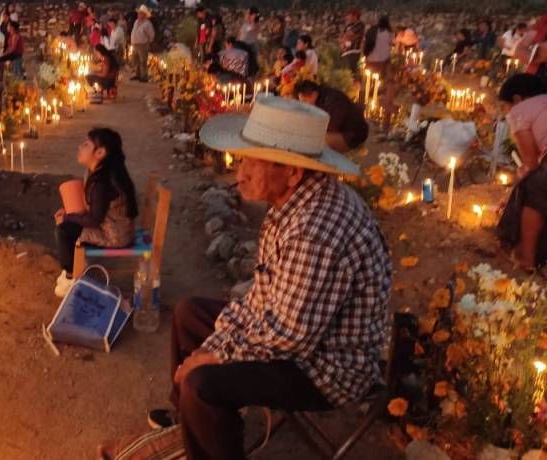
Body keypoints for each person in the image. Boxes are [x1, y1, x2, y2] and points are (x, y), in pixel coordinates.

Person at [154, 95, 390, 460]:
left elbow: (289, 337)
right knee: (189, 314)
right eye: (243, 159)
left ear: (293, 172)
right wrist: (215, 345)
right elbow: (263, 299)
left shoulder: (315, 229)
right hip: (299, 341)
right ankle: (188, 423)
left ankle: (198, 414)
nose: (240, 172)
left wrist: (215, 354)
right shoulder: (295, 202)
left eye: (253, 161)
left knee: (202, 384)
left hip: (327, 367)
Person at [54, 128, 138, 297]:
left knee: (64, 230)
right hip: (114, 228)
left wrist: (68, 217)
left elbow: (93, 220)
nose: (80, 147)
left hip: (114, 235)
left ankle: (71, 277)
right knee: (67, 223)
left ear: (100, 152)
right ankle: (73, 269)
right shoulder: (97, 173)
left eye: (86, 144)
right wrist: (69, 214)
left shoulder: (102, 182)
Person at [497, 74, 547, 271]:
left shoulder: (520, 111)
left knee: (533, 188)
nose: (506, 112)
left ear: (516, 99)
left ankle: (526, 256)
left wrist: (518, 184)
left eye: (504, 107)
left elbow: (531, 164)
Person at [294, 80, 368, 152]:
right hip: (342, 131)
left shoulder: (333, 100)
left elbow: (332, 126)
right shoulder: (320, 97)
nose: (304, 105)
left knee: (316, 141)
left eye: (305, 101)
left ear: (313, 95)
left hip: (353, 134)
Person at [129, 5, 154, 82]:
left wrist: (147, 43)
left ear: (144, 15)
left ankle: (144, 76)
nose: (138, 14)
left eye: (140, 13)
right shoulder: (136, 22)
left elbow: (151, 35)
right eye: (138, 13)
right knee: (136, 60)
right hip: (135, 44)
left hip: (143, 44)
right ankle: (138, 74)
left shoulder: (147, 24)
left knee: (143, 61)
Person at [339, 8, 364, 75]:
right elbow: (341, 38)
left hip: (353, 52)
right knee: (344, 73)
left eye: (348, 15)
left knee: (351, 73)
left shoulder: (360, 24)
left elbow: (350, 34)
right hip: (345, 52)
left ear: (355, 16)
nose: (347, 17)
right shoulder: (348, 26)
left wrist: (346, 38)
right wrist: (345, 38)